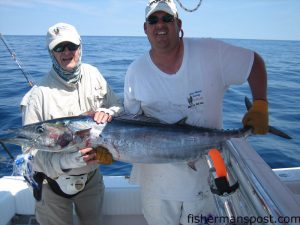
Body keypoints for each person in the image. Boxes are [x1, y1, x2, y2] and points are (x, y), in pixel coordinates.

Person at [124, 0, 269, 225]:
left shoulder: (211, 52)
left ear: (178, 23)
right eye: (153, 20)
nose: (159, 25)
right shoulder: (135, 71)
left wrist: (260, 103)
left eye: (166, 19)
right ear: (145, 28)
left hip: (206, 181)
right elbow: (131, 123)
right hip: (157, 188)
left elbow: (254, 63)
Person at [20, 22, 123, 225]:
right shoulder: (38, 94)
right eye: (59, 48)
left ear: (80, 47)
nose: (66, 52)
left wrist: (109, 111)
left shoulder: (94, 75)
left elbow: (118, 107)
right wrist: (65, 162)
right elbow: (28, 152)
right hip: (52, 185)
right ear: (51, 52)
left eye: (71, 46)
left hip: (92, 180)